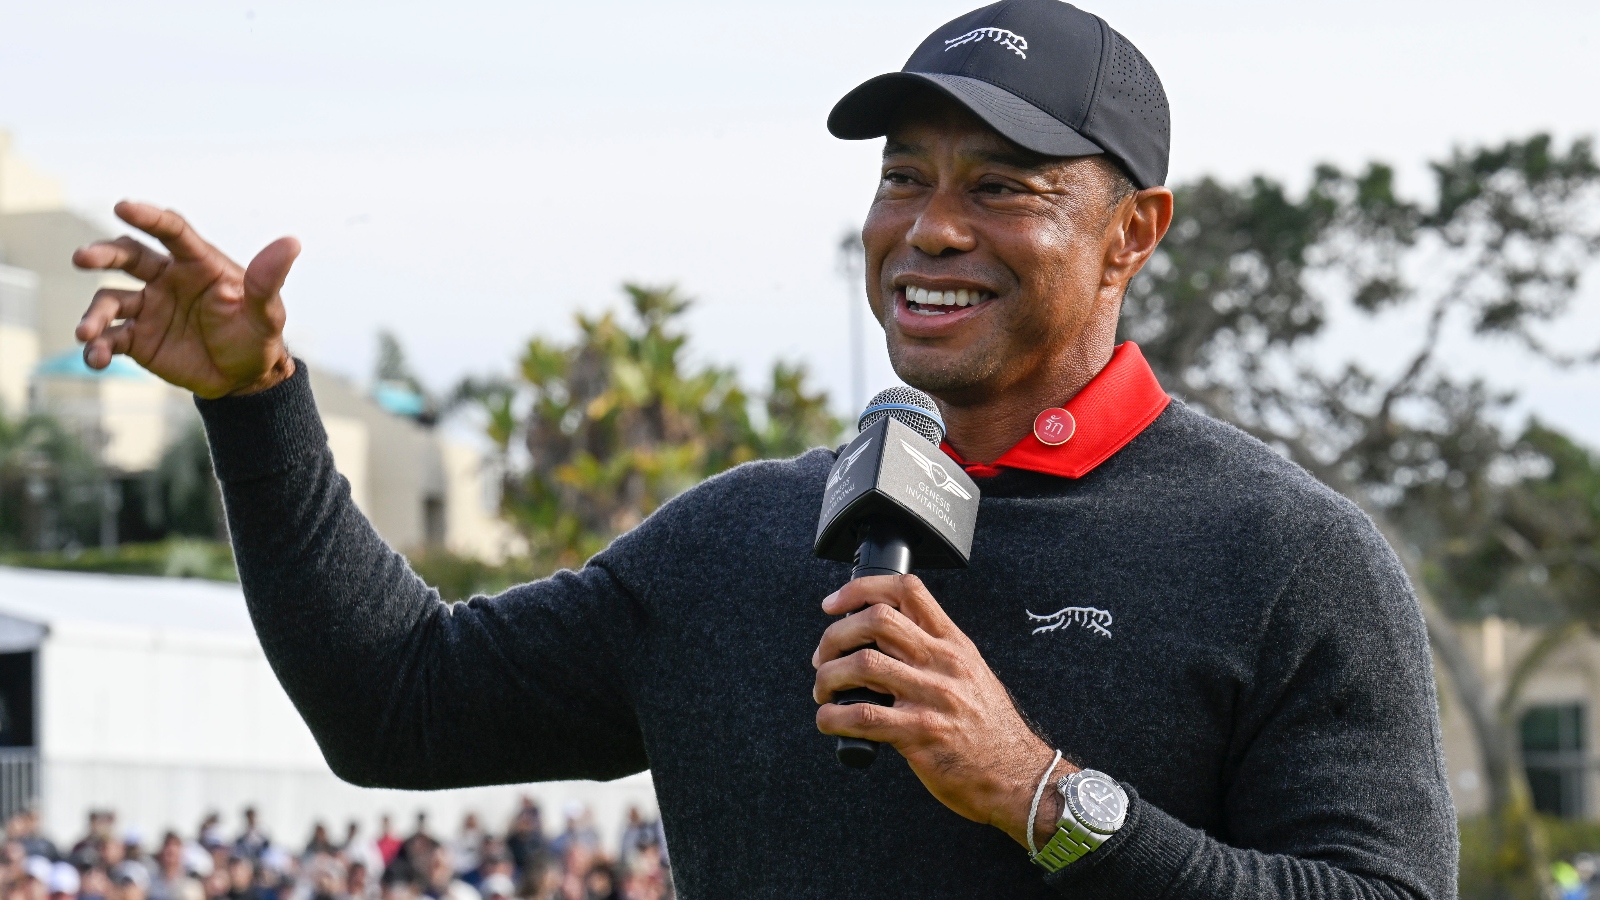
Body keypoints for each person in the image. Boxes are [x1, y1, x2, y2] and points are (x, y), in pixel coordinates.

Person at [71, 0, 1455, 895]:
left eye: (1002, 187)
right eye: (903, 177)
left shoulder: (1286, 557)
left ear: (1133, 235)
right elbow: (398, 708)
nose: (932, 227)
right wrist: (258, 405)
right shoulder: (736, 540)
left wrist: (1042, 796)